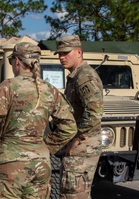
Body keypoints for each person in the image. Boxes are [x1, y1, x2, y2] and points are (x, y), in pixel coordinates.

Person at [0, 42, 78, 199]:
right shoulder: (50, 90)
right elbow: (70, 127)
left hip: (12, 163)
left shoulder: (9, 87)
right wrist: (46, 146)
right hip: (41, 165)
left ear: (17, 61)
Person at [55, 35, 103, 199]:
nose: (62, 57)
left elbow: (95, 112)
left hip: (83, 144)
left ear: (79, 51)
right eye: (59, 54)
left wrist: (78, 138)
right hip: (81, 144)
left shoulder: (84, 76)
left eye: (65, 53)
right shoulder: (75, 76)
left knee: (74, 194)